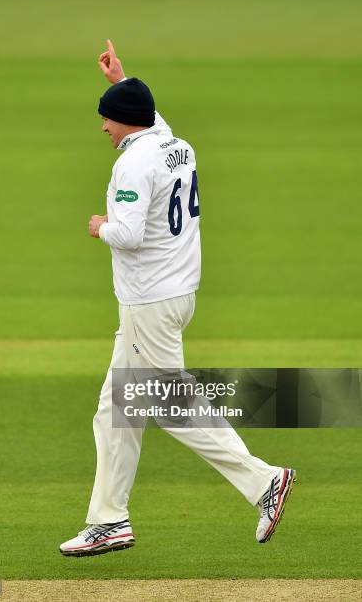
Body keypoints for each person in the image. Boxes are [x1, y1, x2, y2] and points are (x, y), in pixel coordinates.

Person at [60, 40, 295, 558]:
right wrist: (119, 81)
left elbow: (128, 233)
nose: (103, 127)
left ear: (125, 123)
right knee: (113, 410)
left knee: (166, 405)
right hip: (175, 292)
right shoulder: (174, 144)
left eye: (107, 119)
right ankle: (108, 520)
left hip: (150, 300)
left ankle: (264, 482)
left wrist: (100, 227)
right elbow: (150, 117)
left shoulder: (131, 166)